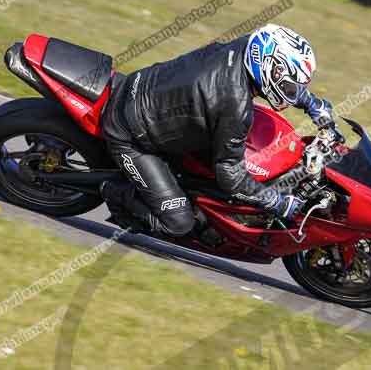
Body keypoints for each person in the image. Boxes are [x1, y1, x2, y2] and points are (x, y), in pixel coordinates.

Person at [99, 24, 338, 237]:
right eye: (290, 85)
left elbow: (273, 76)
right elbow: (230, 177)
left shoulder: (245, 45)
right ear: (267, 66)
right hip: (130, 133)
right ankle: (112, 190)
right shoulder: (234, 104)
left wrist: (313, 105)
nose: (292, 91)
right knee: (179, 222)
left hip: (147, 91)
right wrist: (276, 201)